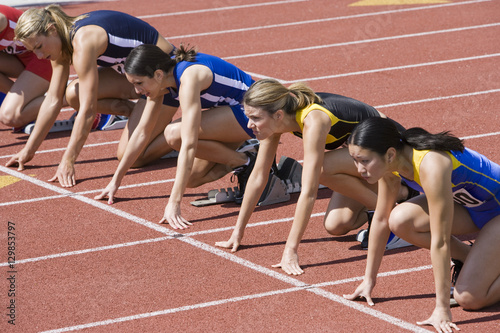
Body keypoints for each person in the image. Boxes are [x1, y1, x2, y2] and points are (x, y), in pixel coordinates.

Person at [215, 79, 413, 275]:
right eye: (248, 116)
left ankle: (395, 209)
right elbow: (259, 176)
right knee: (337, 225)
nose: (250, 124)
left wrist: (290, 250)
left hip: (392, 155)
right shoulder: (275, 124)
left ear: (278, 115)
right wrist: (237, 232)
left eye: (256, 118)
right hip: (364, 163)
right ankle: (397, 202)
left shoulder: (314, 120)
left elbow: (309, 192)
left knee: (320, 169)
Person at [344, 117, 500, 332]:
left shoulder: (431, 164)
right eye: (354, 160)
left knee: (468, 298)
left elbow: (441, 241)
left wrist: (442, 308)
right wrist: (369, 280)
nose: (359, 168)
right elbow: (381, 220)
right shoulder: (391, 166)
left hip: (496, 213)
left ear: (390, 154)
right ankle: (472, 258)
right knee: (399, 220)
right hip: (477, 210)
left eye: (364, 160)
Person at [6, 5, 176, 184]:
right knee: (73, 94)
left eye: (40, 46)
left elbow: (88, 110)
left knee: (132, 157)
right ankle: (140, 115)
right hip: (136, 78)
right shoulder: (61, 41)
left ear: (52, 29)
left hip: (162, 76)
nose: (39, 56)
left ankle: (181, 133)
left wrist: (68, 160)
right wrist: (29, 149)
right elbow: (53, 99)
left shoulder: (84, 41)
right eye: (34, 51)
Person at [94, 44, 257, 229]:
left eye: (139, 83)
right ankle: (247, 161)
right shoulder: (161, 84)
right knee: (191, 179)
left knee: (174, 134)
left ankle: (249, 160)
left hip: (254, 112)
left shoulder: (188, 79)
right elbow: (142, 132)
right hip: (231, 115)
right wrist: (116, 181)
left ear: (158, 74)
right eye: (133, 84)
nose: (137, 91)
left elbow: (189, 143)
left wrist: (174, 203)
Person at [0, 5, 52, 129]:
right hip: (20, 58)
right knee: (15, 110)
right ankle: (25, 102)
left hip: (43, 56)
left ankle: (75, 96)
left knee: (9, 116)